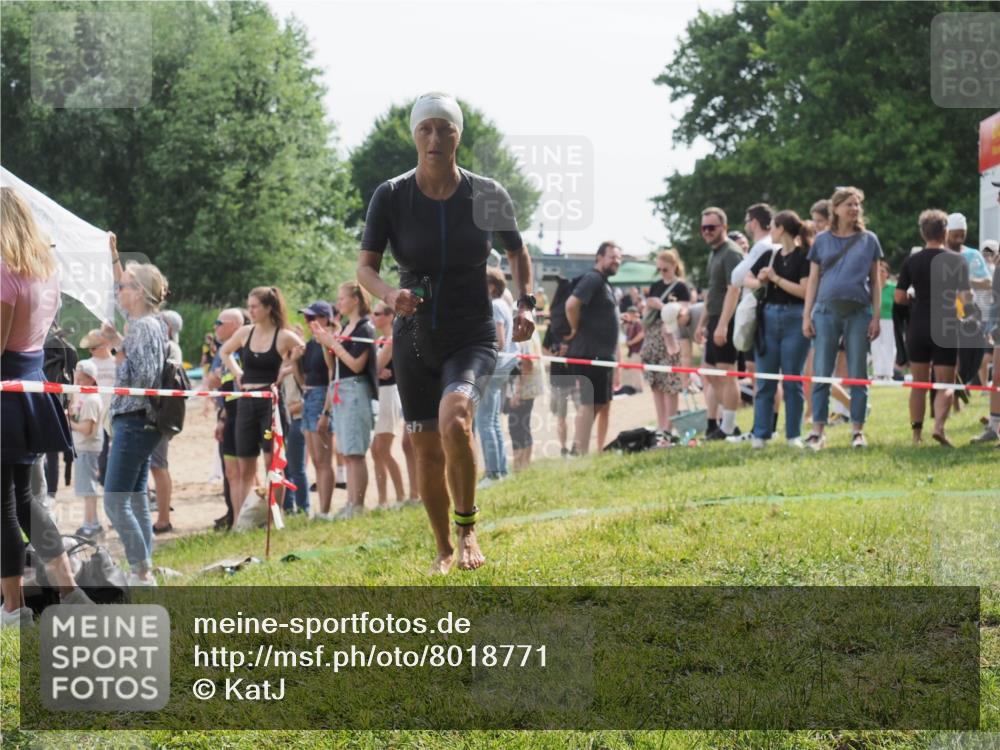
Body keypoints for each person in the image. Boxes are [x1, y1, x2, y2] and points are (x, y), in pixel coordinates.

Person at [356, 92, 535, 573]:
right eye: (425, 129)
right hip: (414, 338)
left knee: (457, 419)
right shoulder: (391, 195)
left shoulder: (486, 194)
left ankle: (467, 527)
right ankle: (441, 548)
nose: (435, 138)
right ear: (415, 136)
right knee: (425, 446)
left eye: (445, 128)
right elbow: (365, 270)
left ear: (459, 135)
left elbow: (517, 254)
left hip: (471, 334)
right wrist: (391, 295)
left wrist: (526, 304)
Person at [1, 187, 93, 625]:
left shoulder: (5, 273)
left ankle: (14, 609)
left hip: (6, 390)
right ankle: (69, 592)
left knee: (8, 504)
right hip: (31, 388)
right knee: (26, 502)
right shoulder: (44, 271)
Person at [99, 248, 171, 585]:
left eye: (124, 287)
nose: (119, 292)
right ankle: (144, 568)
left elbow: (141, 377)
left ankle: (140, 571)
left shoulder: (143, 327)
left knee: (114, 501)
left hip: (135, 419)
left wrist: (118, 352)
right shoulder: (149, 323)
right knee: (136, 498)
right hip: (144, 421)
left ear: (139, 292)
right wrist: (114, 257)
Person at [802, 187, 883, 450]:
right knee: (822, 372)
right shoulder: (822, 241)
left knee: (858, 373)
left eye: (857, 204)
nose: (854, 208)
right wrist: (807, 315)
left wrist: (876, 317)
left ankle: (857, 431)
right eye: (849, 204)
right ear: (835, 209)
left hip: (859, 313)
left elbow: (876, 282)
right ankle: (818, 431)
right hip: (825, 312)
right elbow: (813, 280)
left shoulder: (869, 239)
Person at [218, 286, 304, 523]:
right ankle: (241, 520)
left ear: (268, 308)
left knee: (272, 463)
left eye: (255, 306)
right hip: (246, 401)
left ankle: (274, 516)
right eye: (249, 306)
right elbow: (225, 352)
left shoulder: (283, 335)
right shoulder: (245, 332)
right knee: (246, 465)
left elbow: (302, 351)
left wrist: (286, 370)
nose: (251, 310)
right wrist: (238, 373)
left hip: (271, 403)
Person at [895, 210, 971, 446]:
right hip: (945, 324)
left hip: (918, 325)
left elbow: (898, 298)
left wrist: (914, 300)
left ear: (922, 233)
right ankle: (938, 427)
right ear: (945, 232)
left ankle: (916, 436)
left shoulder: (911, 261)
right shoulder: (957, 261)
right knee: (945, 382)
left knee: (919, 383)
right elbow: (965, 297)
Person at [746, 210, 812, 448]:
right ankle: (760, 434)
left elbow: (805, 292)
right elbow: (746, 279)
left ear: (781, 228)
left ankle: (793, 434)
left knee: (792, 380)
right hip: (768, 318)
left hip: (795, 317)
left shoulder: (805, 257)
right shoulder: (768, 255)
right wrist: (761, 280)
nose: (770, 231)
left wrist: (775, 279)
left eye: (772, 226)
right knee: (765, 381)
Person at [311, 282, 377, 519]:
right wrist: (326, 346)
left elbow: (357, 365)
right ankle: (350, 502)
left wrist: (334, 345)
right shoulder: (347, 327)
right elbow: (334, 367)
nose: (339, 303)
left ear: (356, 300)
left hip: (356, 390)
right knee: (347, 451)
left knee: (355, 451)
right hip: (340, 388)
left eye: (342, 299)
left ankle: (357, 505)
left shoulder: (364, 328)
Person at [565, 242, 623, 454]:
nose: (616, 260)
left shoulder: (604, 283)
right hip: (589, 353)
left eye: (619, 257)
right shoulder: (593, 278)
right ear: (599, 258)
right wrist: (574, 327)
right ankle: (577, 452)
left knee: (599, 403)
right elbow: (571, 305)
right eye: (611, 256)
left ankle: (581, 449)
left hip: (602, 355)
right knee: (589, 403)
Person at [695, 208, 744, 439]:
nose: (707, 232)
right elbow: (712, 293)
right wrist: (702, 323)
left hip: (729, 318)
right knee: (711, 374)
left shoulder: (731, 253)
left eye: (711, 227)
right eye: (703, 228)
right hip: (715, 318)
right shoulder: (714, 253)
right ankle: (725, 423)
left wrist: (723, 324)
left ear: (723, 227)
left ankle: (729, 426)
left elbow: (734, 290)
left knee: (727, 374)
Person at [204, 307, 247, 530]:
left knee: (245, 471)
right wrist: (221, 416)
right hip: (227, 414)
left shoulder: (244, 349)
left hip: (244, 416)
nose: (215, 327)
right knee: (230, 470)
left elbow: (233, 382)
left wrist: (223, 375)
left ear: (234, 326)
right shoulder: (223, 351)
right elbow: (212, 382)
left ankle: (244, 517)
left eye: (219, 322)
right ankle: (234, 514)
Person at [476, 267, 519, 486]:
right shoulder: (502, 304)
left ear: (491, 286)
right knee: (491, 420)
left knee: (484, 421)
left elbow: (499, 341)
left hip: (492, 368)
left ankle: (493, 473)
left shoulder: (494, 305)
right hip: (501, 368)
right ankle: (500, 470)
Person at [641, 249, 690, 433]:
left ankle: (669, 428)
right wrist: (648, 306)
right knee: (656, 384)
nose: (662, 273)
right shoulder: (655, 286)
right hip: (653, 338)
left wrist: (660, 306)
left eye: (665, 269)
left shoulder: (681, 287)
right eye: (659, 269)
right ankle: (661, 426)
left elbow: (683, 314)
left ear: (674, 266)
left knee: (670, 384)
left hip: (669, 337)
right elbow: (645, 317)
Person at [297, 300, 337, 517]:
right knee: (315, 459)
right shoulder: (310, 343)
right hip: (309, 395)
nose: (308, 321)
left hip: (322, 396)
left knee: (323, 459)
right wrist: (294, 362)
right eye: (306, 318)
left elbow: (332, 375)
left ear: (324, 318)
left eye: (312, 317)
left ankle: (325, 510)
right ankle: (321, 510)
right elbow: (303, 378)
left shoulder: (326, 342)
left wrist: (326, 411)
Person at [946, 213, 992, 388]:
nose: (958, 239)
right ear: (946, 233)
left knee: (970, 357)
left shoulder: (973, 255)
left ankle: (962, 388)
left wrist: (965, 281)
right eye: (954, 234)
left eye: (962, 235)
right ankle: (954, 396)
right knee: (950, 357)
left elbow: (987, 282)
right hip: (946, 314)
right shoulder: (939, 253)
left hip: (970, 315)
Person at [370, 301, 409, 509]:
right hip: (379, 393)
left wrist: (374, 371)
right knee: (376, 450)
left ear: (388, 316)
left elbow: (374, 366)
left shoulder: (392, 339)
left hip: (389, 393)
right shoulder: (381, 340)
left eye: (377, 313)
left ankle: (401, 495)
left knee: (383, 449)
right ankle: (383, 499)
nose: (373, 317)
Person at [150, 309, 183, 534]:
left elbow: (166, 380)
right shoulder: (168, 347)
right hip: (160, 411)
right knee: (155, 466)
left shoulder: (170, 348)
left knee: (158, 465)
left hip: (162, 413)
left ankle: (164, 518)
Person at [68, 359, 105, 538]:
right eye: (77, 379)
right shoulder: (86, 397)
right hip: (85, 448)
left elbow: (87, 429)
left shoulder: (91, 399)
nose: (78, 383)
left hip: (87, 448)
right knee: (87, 488)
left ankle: (91, 525)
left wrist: (69, 423)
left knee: (88, 489)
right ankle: (92, 522)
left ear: (91, 379)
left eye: (81, 380)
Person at [79, 328, 116, 484]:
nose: (92, 349)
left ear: (106, 343)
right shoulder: (87, 365)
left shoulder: (116, 362)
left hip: (115, 411)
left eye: (95, 345)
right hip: (96, 413)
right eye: (91, 346)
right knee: (99, 449)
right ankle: (102, 480)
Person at [278, 326, 309, 514]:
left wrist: (293, 366)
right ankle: (289, 508)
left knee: (297, 467)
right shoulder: (283, 363)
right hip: (285, 419)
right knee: (286, 467)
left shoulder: (301, 364)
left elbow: (307, 390)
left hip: (297, 417)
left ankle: (303, 508)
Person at [509, 327, 546, 470]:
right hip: (528, 387)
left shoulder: (523, 334)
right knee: (522, 426)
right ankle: (522, 465)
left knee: (518, 427)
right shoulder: (529, 329)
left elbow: (527, 364)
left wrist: (517, 392)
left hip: (524, 388)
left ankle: (521, 466)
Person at [870, 260, 897, 379]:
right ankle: (878, 372)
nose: (880, 273)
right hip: (874, 320)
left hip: (889, 321)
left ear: (887, 274)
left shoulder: (892, 288)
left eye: (883, 271)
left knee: (889, 346)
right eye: (878, 271)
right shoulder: (872, 287)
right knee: (875, 346)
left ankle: (888, 373)